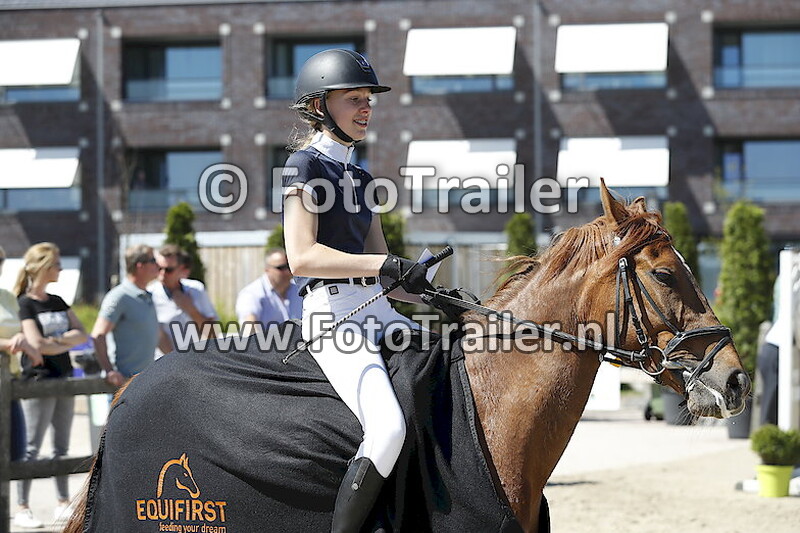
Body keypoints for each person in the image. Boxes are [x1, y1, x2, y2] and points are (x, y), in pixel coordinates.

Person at [282, 49, 434, 533]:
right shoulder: (301, 168)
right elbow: (301, 257)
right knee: (387, 428)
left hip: (375, 308)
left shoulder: (361, 178)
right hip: (332, 315)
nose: (366, 108)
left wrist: (436, 296)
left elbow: (386, 274)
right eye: (354, 99)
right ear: (320, 106)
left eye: (368, 99)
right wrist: (386, 264)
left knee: (451, 367)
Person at [12, 242, 88, 528]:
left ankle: (62, 502)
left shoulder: (58, 300)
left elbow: (83, 333)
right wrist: (63, 341)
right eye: (56, 263)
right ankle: (22, 505)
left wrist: (53, 344)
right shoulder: (24, 303)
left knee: (62, 447)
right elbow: (35, 344)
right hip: (38, 382)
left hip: (64, 379)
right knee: (31, 447)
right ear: (43, 266)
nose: (61, 268)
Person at [91, 245, 172, 388]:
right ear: (140, 266)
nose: (158, 265)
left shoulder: (147, 296)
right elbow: (98, 335)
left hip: (144, 383)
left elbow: (158, 335)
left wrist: (177, 361)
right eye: (153, 260)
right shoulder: (119, 296)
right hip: (123, 386)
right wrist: (110, 371)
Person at [0, 246, 39, 463]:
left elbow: (24, 332)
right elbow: (13, 340)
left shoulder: (7, 297)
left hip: (9, 383)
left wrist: (26, 343)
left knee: (16, 453)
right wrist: (8, 343)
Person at [151, 244, 219, 347]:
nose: (162, 274)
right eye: (159, 268)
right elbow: (156, 337)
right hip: (163, 360)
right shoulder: (150, 294)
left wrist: (191, 310)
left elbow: (213, 335)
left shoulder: (196, 289)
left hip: (194, 359)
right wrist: (174, 361)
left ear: (181, 268)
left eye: (168, 270)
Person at [235, 247, 301, 336]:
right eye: (281, 268)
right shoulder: (251, 294)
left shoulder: (300, 290)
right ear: (267, 270)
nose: (287, 271)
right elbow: (249, 327)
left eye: (288, 266)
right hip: (268, 347)